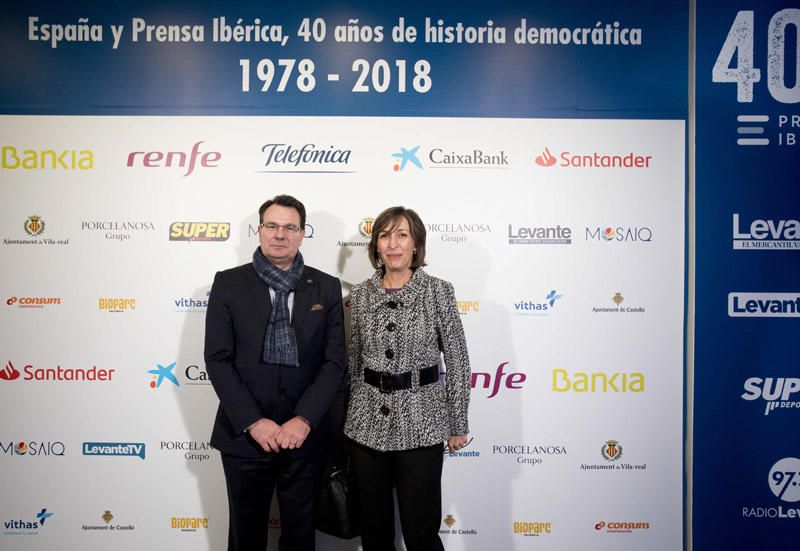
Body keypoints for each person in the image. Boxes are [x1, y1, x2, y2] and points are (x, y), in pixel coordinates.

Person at [205, 195, 346, 551]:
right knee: (245, 536)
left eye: (289, 227)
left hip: (304, 437)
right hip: (244, 436)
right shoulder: (228, 283)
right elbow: (218, 359)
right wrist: (254, 421)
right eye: (272, 226)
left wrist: (304, 420)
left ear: (301, 234)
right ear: (259, 230)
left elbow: (334, 362)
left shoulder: (326, 286)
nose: (279, 235)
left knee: (300, 537)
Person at [344, 206, 471, 551]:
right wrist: (350, 418)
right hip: (366, 429)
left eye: (402, 235)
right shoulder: (360, 294)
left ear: (416, 244)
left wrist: (458, 423)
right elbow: (354, 361)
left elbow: (457, 359)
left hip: (423, 424)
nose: (393, 244)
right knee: (374, 533)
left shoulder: (438, 291)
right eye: (384, 235)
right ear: (376, 246)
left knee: (421, 533)